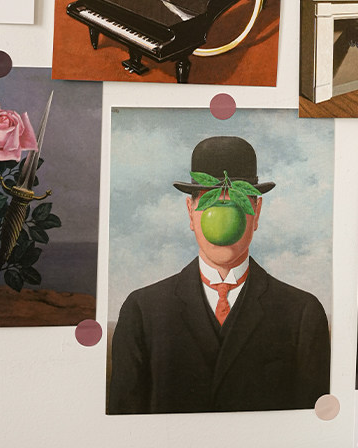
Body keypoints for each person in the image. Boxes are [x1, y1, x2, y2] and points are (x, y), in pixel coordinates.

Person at [107, 136, 331, 414]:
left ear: (257, 212)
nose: (224, 217)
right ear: (190, 212)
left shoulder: (301, 313)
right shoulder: (142, 311)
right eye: (209, 202)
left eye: (238, 202)